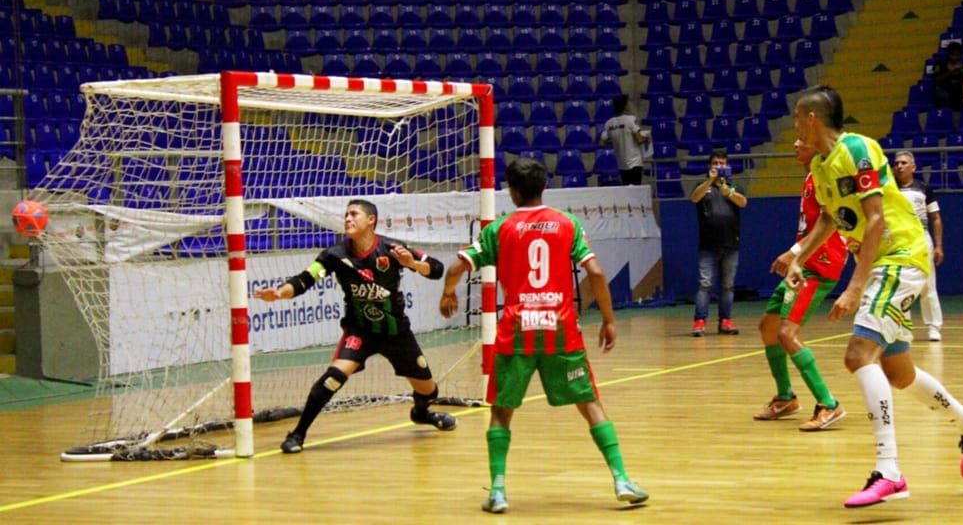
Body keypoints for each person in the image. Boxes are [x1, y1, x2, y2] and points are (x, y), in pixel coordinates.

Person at [787, 85, 963, 508]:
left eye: (796, 119)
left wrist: (856, 286)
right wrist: (797, 255)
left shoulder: (859, 149)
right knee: (899, 374)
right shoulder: (822, 169)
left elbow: (875, 218)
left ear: (812, 119)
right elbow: (831, 216)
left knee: (857, 356)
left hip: (899, 255)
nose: (793, 128)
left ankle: (890, 471)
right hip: (883, 263)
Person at [438, 158, 648, 514]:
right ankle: (621, 479)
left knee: (502, 411)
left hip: (517, 331)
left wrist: (448, 292)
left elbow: (457, 265)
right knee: (590, 403)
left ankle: (499, 491)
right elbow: (595, 271)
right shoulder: (567, 223)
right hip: (560, 330)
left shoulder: (499, 229)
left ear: (513, 191)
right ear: (543, 187)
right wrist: (609, 320)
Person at [254, 199, 457, 454]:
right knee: (332, 378)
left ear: (370, 220)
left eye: (354, 214)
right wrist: (280, 293)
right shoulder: (335, 255)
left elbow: (437, 270)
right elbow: (305, 279)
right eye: (346, 215)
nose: (347, 219)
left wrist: (412, 264)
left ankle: (421, 413)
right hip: (360, 331)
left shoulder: (392, 249)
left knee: (429, 390)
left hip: (396, 333)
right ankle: (298, 434)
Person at [754, 139, 848, 431]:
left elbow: (829, 221)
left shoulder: (824, 177)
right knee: (768, 326)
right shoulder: (811, 175)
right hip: (804, 263)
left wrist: (793, 252)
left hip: (820, 265)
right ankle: (786, 398)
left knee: (787, 333)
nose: (795, 143)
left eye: (801, 140)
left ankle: (828, 404)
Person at [689, 149, 748, 337]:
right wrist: (709, 181)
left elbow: (743, 202)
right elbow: (694, 198)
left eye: (723, 164)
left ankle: (725, 321)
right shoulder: (702, 186)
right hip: (707, 244)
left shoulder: (733, 185)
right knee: (705, 284)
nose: (719, 167)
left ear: (728, 166)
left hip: (731, 244)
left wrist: (728, 192)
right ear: (710, 166)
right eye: (716, 164)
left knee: (727, 286)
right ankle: (699, 322)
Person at [892, 150, 945, 341]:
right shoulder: (888, 189)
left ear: (913, 167)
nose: (899, 166)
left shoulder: (924, 189)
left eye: (904, 163)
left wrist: (938, 246)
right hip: (898, 240)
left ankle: (933, 327)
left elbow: (936, 218)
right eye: (897, 163)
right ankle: (904, 327)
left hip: (921, 240)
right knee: (900, 285)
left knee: (928, 285)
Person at [598, 94, 650, 186]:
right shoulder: (631, 119)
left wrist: (617, 140)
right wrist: (647, 137)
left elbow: (602, 143)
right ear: (625, 106)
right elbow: (639, 140)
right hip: (634, 162)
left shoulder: (609, 123)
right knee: (635, 192)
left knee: (627, 192)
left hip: (622, 164)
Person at [932, 42, 963, 110]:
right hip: (944, 89)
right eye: (953, 55)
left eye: (957, 55)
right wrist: (950, 73)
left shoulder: (962, 66)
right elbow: (936, 80)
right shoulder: (940, 64)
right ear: (948, 54)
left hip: (958, 91)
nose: (955, 57)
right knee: (943, 95)